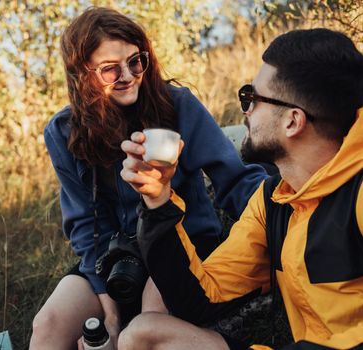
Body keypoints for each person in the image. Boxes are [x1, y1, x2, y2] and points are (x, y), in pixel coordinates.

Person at [30, 7, 267, 350]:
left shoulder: (177, 104)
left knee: (145, 322)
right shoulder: (63, 132)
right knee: (47, 325)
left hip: (181, 241)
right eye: (110, 69)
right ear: (82, 75)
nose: (127, 75)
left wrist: (281, 218)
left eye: (135, 61)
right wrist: (109, 318)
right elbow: (85, 227)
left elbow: (234, 179)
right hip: (111, 256)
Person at [118, 28, 363, 349]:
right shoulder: (274, 200)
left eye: (252, 98)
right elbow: (200, 297)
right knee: (143, 334)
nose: (244, 111)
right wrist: (158, 199)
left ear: (293, 121)